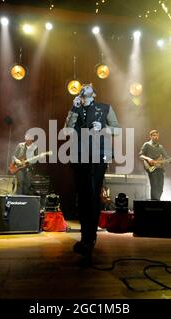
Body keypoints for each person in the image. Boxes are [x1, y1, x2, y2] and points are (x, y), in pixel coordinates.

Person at [64, 83, 120, 265]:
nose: (85, 87)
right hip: (79, 156)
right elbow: (67, 130)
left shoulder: (105, 108)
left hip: (99, 155)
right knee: (82, 197)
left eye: (88, 87)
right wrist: (74, 108)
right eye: (82, 87)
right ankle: (84, 238)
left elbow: (117, 130)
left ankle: (90, 238)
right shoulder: (76, 108)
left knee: (94, 195)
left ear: (93, 94)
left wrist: (102, 128)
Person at [139, 129, 171, 200]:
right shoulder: (146, 144)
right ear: (150, 136)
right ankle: (154, 203)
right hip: (151, 168)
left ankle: (157, 201)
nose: (155, 137)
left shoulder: (160, 147)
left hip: (160, 168)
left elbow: (168, 159)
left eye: (157, 136)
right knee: (154, 185)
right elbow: (141, 155)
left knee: (160, 187)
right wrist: (148, 159)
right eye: (154, 135)